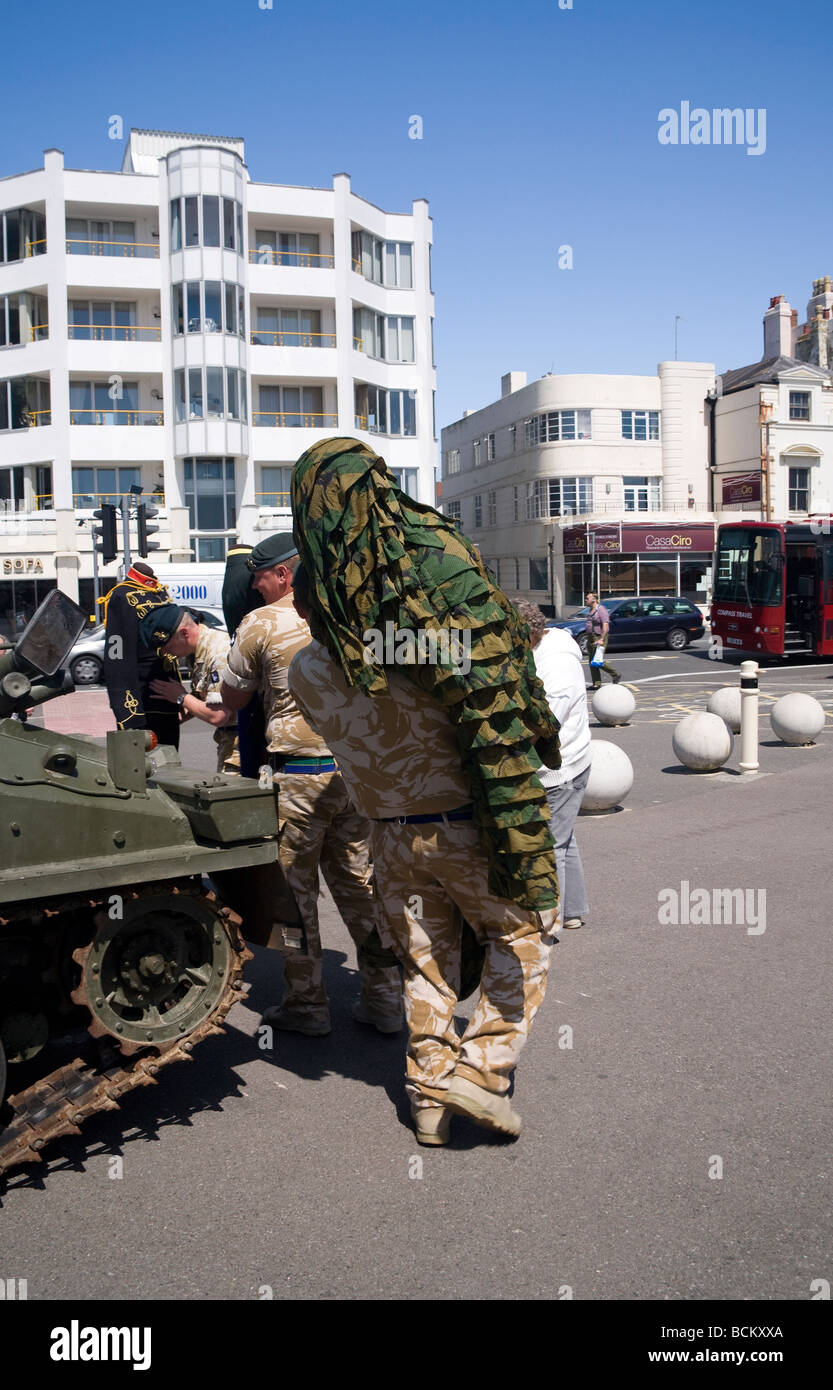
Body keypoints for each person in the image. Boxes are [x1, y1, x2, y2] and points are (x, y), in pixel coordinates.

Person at [287, 438, 562, 1147]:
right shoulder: (425, 637)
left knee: (426, 965)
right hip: (466, 825)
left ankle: (429, 1099)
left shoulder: (308, 668)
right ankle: (483, 1065)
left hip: (390, 836)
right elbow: (490, 699)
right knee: (522, 936)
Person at [219, 532, 403, 1038]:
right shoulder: (350, 615)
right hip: (355, 777)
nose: (254, 587)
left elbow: (232, 700)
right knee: (362, 892)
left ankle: (307, 1005)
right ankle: (385, 1001)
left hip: (300, 781)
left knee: (294, 903)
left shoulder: (262, 622)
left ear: (284, 574)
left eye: (259, 577)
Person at [516, 601, 591, 931]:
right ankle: (573, 911)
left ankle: (548, 925)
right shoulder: (545, 647)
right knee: (565, 839)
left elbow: (544, 725)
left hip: (563, 770)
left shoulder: (556, 664)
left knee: (551, 848)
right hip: (572, 761)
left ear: (528, 635)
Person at [145, 608, 239, 773]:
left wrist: (180, 696)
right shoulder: (196, 651)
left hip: (241, 744)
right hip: (229, 740)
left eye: (165, 645)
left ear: (184, 633)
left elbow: (218, 715)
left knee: (235, 796)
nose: (165, 653)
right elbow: (201, 703)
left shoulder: (219, 653)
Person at [101, 561, 181, 746]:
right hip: (141, 701)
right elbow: (117, 655)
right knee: (141, 766)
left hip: (166, 698)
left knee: (170, 761)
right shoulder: (121, 595)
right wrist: (128, 711)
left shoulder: (160, 592)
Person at [222, 541, 266, 778]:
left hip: (243, 669)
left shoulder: (230, 575)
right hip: (263, 675)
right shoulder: (247, 574)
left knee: (251, 751)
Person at [585, 590, 620, 689]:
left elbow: (605, 625)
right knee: (592, 662)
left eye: (587, 598)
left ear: (594, 600)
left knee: (597, 661)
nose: (585, 600)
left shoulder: (601, 609)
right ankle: (596, 683)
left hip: (599, 637)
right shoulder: (590, 609)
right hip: (591, 637)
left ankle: (615, 674)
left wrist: (601, 639)